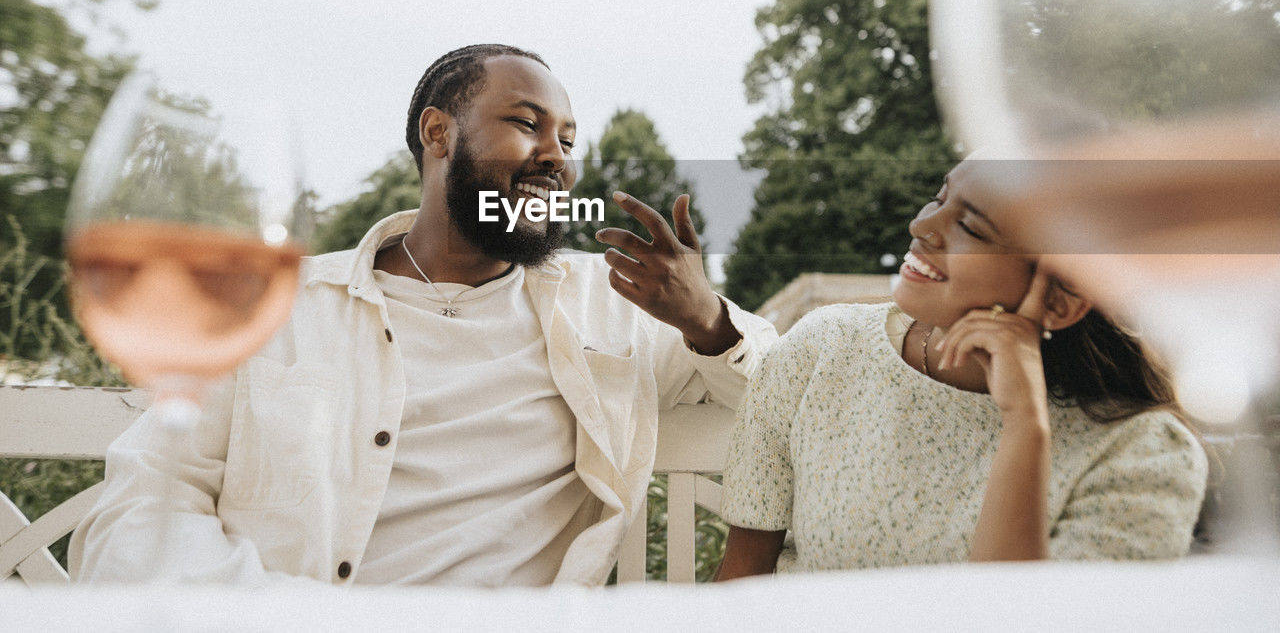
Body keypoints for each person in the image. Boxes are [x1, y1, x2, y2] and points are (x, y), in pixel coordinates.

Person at [71, 43, 777, 586]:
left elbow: (794, 387)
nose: (555, 158)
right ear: (438, 133)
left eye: (567, 139)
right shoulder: (277, 307)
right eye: (527, 124)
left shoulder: (615, 304)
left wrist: (706, 319)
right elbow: (132, 519)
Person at [715, 157, 1208, 578]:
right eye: (939, 197)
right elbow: (740, 586)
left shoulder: (1143, 456)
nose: (922, 226)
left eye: (971, 226)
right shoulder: (822, 350)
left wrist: (1024, 428)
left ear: (1061, 299)